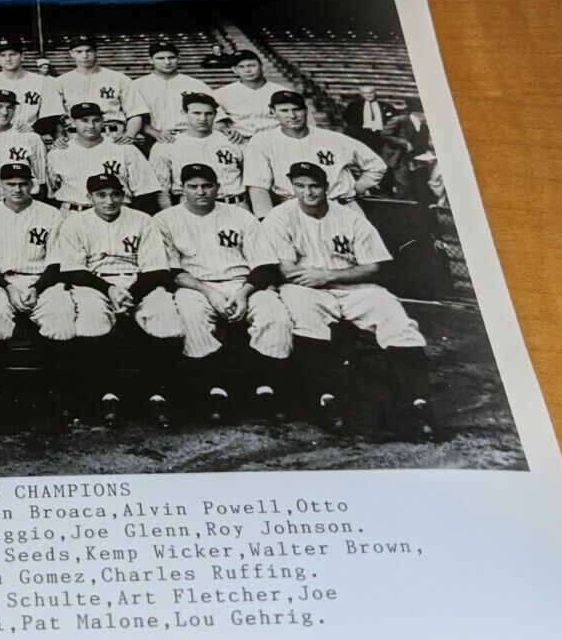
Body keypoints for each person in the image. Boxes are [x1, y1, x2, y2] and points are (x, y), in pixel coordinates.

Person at [261, 163, 437, 437]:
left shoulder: (350, 218)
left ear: (326, 187)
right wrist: (320, 279)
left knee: (393, 315)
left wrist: (328, 275)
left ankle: (417, 403)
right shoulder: (279, 217)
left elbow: (375, 266)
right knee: (307, 317)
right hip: (304, 287)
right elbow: (286, 269)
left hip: (350, 284)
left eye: (314, 186)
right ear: (292, 187)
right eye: (300, 186)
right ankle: (325, 401)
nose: (307, 192)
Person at [152, 163, 293, 419]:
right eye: (192, 187)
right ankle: (210, 389)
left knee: (275, 315)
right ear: (182, 189)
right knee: (191, 315)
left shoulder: (241, 216)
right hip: (195, 285)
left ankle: (270, 389)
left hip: (243, 282)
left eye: (207, 186)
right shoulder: (165, 220)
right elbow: (171, 272)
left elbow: (264, 265)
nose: (200, 192)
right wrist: (209, 292)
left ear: (218, 187)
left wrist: (243, 293)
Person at [50, 174, 184, 425]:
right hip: (94, 282)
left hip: (137, 282)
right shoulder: (75, 223)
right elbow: (71, 269)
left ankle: (158, 394)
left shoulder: (143, 220)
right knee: (91, 317)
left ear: (123, 195)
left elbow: (157, 269)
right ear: (89, 198)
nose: (109, 201)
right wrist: (110, 290)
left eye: (114, 194)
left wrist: (130, 293)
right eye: (101, 195)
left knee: (165, 315)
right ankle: (103, 394)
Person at [0, 162, 73, 344]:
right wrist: (8, 288)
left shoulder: (51, 214)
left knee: (62, 319)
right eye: (11, 184)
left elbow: (56, 260)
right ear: (0, 185)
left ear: (32, 185)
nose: (17, 189)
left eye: (23, 184)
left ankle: (54, 371)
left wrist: (36, 288)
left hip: (41, 280)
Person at [243, 90, 386, 217]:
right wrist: (266, 220)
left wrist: (357, 189)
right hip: (294, 210)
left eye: (297, 109)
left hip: (341, 206)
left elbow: (376, 165)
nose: (292, 115)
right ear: (272, 111)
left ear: (306, 110)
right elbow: (258, 187)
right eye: (284, 110)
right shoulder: (261, 142)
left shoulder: (334, 138)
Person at [46, 102, 165, 214]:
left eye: (96, 120)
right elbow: (49, 195)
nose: (91, 126)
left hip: (117, 214)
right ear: (72, 122)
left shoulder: (125, 149)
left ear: (103, 121)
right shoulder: (58, 153)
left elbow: (146, 193)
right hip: (73, 213)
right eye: (84, 121)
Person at [148, 93, 249, 209]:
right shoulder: (166, 145)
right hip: (190, 210)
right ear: (184, 114)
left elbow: (252, 181)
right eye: (196, 113)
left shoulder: (232, 140)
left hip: (234, 205)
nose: (203, 119)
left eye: (208, 114)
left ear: (216, 115)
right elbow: (161, 192)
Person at [54, 35, 149, 144]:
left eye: (89, 51)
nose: (85, 56)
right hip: (75, 136)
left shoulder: (118, 78)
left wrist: (130, 135)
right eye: (79, 52)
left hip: (113, 135)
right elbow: (55, 116)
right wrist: (58, 137)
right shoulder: (60, 82)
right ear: (71, 53)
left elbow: (135, 113)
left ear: (96, 52)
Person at [0, 38, 66, 140]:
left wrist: (34, 128)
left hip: (28, 136)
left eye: (12, 54)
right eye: (2, 55)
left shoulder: (43, 82)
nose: (8, 59)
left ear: (22, 56)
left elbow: (52, 114)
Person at [132, 40, 217, 146]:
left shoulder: (196, 84)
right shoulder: (137, 85)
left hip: (192, 138)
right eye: (160, 58)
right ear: (150, 60)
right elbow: (134, 116)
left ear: (178, 58)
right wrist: (155, 133)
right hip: (156, 139)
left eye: (171, 57)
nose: (167, 62)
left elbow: (214, 113)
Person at [212, 50, 290, 141]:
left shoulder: (283, 92)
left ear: (262, 66)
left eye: (252, 65)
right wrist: (222, 127)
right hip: (239, 142)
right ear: (234, 70)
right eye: (241, 67)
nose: (247, 70)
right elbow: (215, 121)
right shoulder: (220, 94)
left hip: (275, 141)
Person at [380, 97, 439, 203]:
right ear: (419, 113)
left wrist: (427, 152)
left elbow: (423, 145)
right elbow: (385, 134)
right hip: (398, 158)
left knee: (417, 184)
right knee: (403, 184)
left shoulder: (424, 127)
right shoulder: (400, 120)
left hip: (414, 160)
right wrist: (404, 143)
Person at [340, 85, 396, 154]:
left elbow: (394, 119)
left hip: (380, 135)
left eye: (371, 93)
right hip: (363, 134)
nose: (368, 95)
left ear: (375, 93)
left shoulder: (386, 106)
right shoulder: (354, 106)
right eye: (365, 93)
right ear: (361, 94)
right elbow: (346, 119)